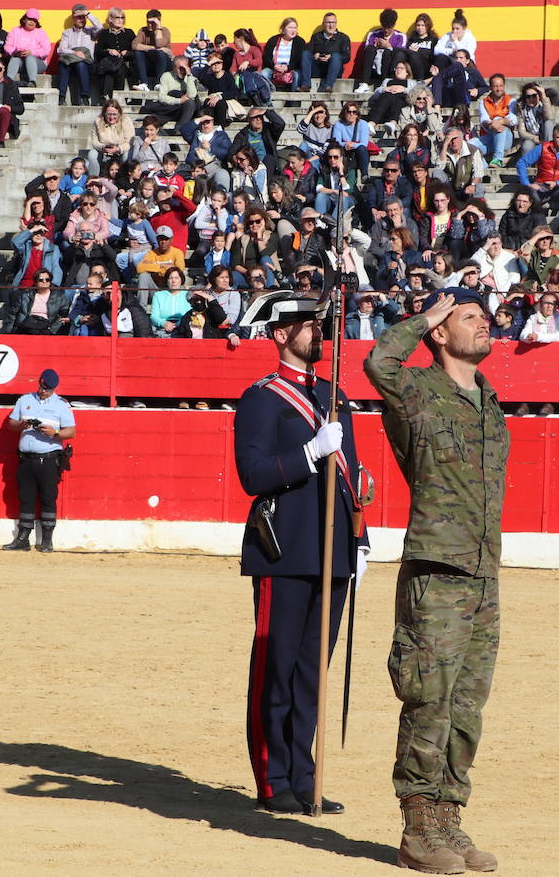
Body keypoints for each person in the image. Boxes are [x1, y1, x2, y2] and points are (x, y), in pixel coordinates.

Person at [363, 287, 506, 875]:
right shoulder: (419, 390)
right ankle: (418, 826)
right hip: (437, 570)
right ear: (442, 334)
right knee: (429, 698)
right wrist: (427, 314)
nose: (485, 324)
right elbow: (379, 362)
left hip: (482, 571)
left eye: (483, 316)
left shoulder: (489, 401)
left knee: (468, 704)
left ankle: (449, 815)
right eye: (470, 318)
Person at [234, 289, 368, 816]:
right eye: (308, 325)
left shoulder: (333, 395)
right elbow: (253, 475)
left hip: (332, 550)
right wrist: (309, 453)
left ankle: (306, 778)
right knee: (278, 667)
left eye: (321, 324)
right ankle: (274, 778)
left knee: (313, 672)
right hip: (284, 548)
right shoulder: (262, 398)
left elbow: (354, 476)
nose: (319, 332)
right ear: (281, 334)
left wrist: (359, 540)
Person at [2, 368, 75, 553]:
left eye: (47, 389)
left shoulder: (61, 405)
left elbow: (71, 431)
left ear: (53, 389)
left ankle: (47, 540)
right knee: (25, 497)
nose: (43, 392)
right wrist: (22, 425)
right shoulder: (25, 399)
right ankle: (23, 539)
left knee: (48, 498)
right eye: (42, 388)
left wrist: (55, 432)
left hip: (49, 459)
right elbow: (10, 425)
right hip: (26, 458)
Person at [4, 8, 50, 87]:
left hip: (38, 64)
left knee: (30, 57)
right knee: (15, 58)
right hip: (21, 63)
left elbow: (46, 51)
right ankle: (8, 81)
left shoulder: (41, 32)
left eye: (34, 20)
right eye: (30, 19)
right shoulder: (15, 31)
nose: (32, 22)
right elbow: (7, 46)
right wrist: (16, 52)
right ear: (24, 19)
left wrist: (31, 52)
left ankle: (32, 81)